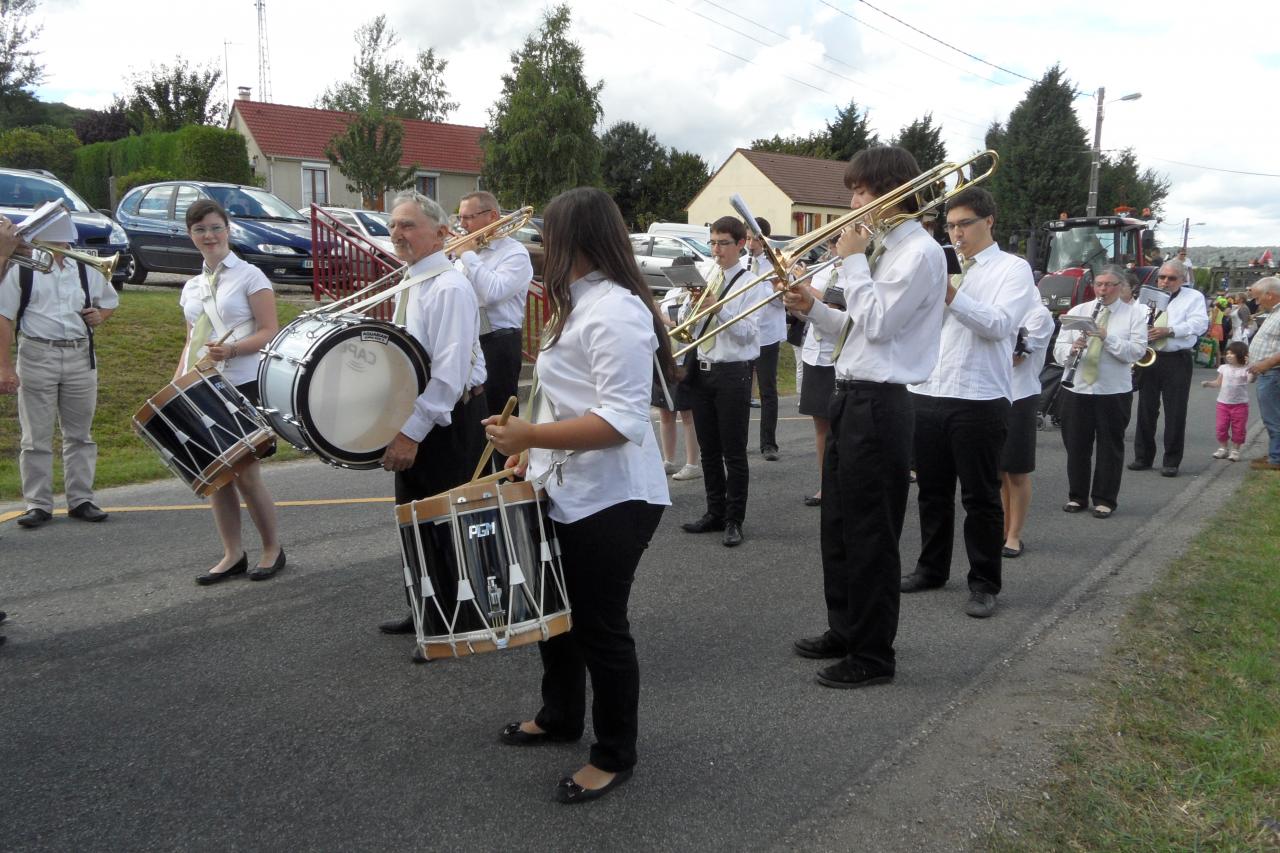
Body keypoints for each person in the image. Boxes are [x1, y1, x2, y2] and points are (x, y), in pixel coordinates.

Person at [484, 186, 672, 804]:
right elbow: (568, 400)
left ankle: (615, 754)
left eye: (550, 238)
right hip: (567, 486)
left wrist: (533, 432)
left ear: (579, 242)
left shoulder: (616, 310)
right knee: (557, 621)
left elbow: (622, 421)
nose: (541, 250)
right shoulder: (579, 303)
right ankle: (559, 715)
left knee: (599, 628)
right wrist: (531, 450)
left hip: (614, 497)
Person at [785, 145, 946, 687]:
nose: (852, 202)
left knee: (872, 534)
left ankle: (874, 655)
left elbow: (878, 325)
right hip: (851, 395)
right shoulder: (880, 249)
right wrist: (813, 310)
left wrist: (852, 260)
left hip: (883, 404)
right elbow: (855, 329)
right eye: (852, 191)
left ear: (893, 191)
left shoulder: (919, 253)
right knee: (838, 526)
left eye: (861, 191)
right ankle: (845, 628)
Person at [900, 186, 1039, 619]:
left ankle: (983, 582)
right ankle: (931, 568)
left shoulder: (1013, 270)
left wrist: (951, 295)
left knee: (979, 497)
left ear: (988, 222)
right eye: (951, 226)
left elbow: (999, 325)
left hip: (979, 397)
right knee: (932, 493)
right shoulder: (941, 264)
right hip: (928, 391)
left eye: (964, 225)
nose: (956, 234)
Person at [377, 191, 487, 635]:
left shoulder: (450, 286)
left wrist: (411, 434)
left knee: (446, 522)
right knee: (414, 518)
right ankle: (425, 607)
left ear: (442, 234)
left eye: (408, 225)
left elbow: (448, 374)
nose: (397, 233)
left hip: (447, 418)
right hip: (420, 413)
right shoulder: (410, 281)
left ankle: (453, 617)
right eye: (393, 226)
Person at [176, 200, 284, 583]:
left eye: (215, 227)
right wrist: (180, 379)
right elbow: (191, 339)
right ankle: (232, 554)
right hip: (203, 385)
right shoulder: (191, 286)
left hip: (241, 381)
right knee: (215, 477)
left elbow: (270, 330)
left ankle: (272, 549)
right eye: (200, 230)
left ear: (228, 229)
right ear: (191, 236)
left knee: (245, 475)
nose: (209, 236)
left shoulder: (250, 275)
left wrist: (233, 349)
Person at [0, 215, 117, 529]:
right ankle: (37, 504)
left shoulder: (85, 268)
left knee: (80, 434)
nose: (64, 246)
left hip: (79, 353)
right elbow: (4, 317)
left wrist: (99, 317)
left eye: (66, 239)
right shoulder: (23, 269)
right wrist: (5, 366)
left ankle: (81, 499)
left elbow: (109, 301)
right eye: (58, 239)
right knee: (35, 436)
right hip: (37, 352)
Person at [679, 215, 759, 548]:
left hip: (732, 372)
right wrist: (692, 308)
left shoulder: (751, 282)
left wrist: (718, 309)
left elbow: (748, 333)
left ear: (740, 244)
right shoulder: (709, 275)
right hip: (702, 367)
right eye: (712, 242)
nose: (716, 250)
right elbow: (690, 326)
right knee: (708, 450)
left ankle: (734, 520)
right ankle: (714, 511)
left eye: (723, 243)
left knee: (733, 452)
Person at [1053, 267, 1148, 518]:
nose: (1103, 290)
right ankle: (1077, 496)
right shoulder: (1078, 311)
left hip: (1112, 390)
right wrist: (1071, 350)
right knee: (1076, 445)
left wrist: (1107, 338)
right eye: (1099, 284)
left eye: (1109, 285)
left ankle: (1105, 499)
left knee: (1110, 445)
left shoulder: (1133, 315)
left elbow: (1137, 352)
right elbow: (1058, 348)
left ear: (1121, 286)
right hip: (1078, 387)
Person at [453, 191, 533, 466]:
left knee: (501, 417)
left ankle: (510, 480)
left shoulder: (515, 254)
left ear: (492, 217)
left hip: (498, 342)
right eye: (460, 217)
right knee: (474, 417)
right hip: (471, 340)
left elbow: (493, 292)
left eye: (468, 218)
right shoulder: (466, 254)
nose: (462, 225)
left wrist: (468, 257)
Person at [1129, 260, 1209, 477]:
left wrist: (1170, 330)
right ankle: (1143, 457)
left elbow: (1200, 324)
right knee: (1145, 409)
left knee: (1175, 411)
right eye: (1162, 277)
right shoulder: (1147, 296)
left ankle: (1171, 460)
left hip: (1176, 358)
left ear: (1183, 279)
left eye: (1171, 278)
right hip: (1150, 356)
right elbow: (1135, 319)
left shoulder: (1193, 297)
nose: (1165, 281)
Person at [1000, 299, 1054, 557]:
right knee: (997, 471)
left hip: (1020, 396)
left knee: (1017, 471)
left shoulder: (1038, 314)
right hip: (993, 394)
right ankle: (1001, 529)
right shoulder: (1000, 305)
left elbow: (1016, 359)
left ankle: (1014, 535)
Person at [796, 238, 841, 506]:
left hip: (838, 357)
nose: (831, 250)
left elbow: (835, 308)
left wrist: (806, 290)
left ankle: (844, 486)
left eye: (834, 244)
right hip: (815, 353)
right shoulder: (823, 271)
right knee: (820, 426)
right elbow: (810, 313)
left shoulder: (861, 273)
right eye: (831, 245)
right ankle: (826, 486)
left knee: (842, 428)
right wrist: (795, 303)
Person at [745, 217, 783, 461]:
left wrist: (766, 286)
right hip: (746, 333)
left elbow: (782, 300)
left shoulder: (775, 264)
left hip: (767, 334)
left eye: (752, 238)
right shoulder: (743, 264)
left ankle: (768, 444)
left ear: (763, 239)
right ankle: (738, 441)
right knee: (739, 391)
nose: (749, 244)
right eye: (747, 238)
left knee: (767, 391)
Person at [654, 285, 700, 480]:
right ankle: (669, 460)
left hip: (687, 356)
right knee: (665, 413)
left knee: (687, 414)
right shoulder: (671, 294)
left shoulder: (697, 295)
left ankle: (692, 464)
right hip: (667, 357)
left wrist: (660, 317)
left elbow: (688, 326)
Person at [1245, 277, 1280, 471]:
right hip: (1270, 373)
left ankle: (1277, 458)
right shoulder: (1274, 312)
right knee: (1273, 416)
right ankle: (1275, 453)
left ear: (1270, 295)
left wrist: (1266, 363)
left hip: (1274, 373)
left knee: (1273, 417)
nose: (1257, 303)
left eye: (1258, 298)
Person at [1201, 340, 1253, 462]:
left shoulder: (1245, 369)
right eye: (1227, 353)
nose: (1228, 355)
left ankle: (1235, 450)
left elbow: (1250, 380)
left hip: (1240, 405)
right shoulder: (1223, 368)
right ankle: (1223, 448)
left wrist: (1250, 367)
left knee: (1238, 429)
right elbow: (1218, 383)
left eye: (1232, 353)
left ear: (1240, 355)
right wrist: (1209, 383)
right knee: (1221, 427)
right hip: (1223, 404)